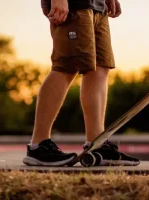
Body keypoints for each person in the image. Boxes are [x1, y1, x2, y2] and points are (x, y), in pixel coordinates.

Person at [23, 0, 140, 166]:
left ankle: (96, 143)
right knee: (67, 67)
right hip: (73, 4)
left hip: (98, 6)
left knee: (100, 68)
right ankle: (38, 146)